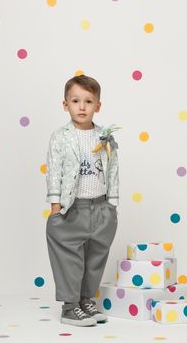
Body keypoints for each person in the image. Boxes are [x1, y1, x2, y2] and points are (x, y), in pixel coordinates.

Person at [45, 75, 120, 327]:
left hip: (100, 206)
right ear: (65, 104)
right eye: (75, 101)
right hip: (72, 207)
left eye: (88, 101)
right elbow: (54, 170)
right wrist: (55, 204)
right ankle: (69, 306)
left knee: (96, 257)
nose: (82, 107)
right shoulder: (60, 137)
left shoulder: (104, 137)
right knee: (70, 257)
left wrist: (112, 203)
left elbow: (113, 170)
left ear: (98, 105)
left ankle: (86, 300)